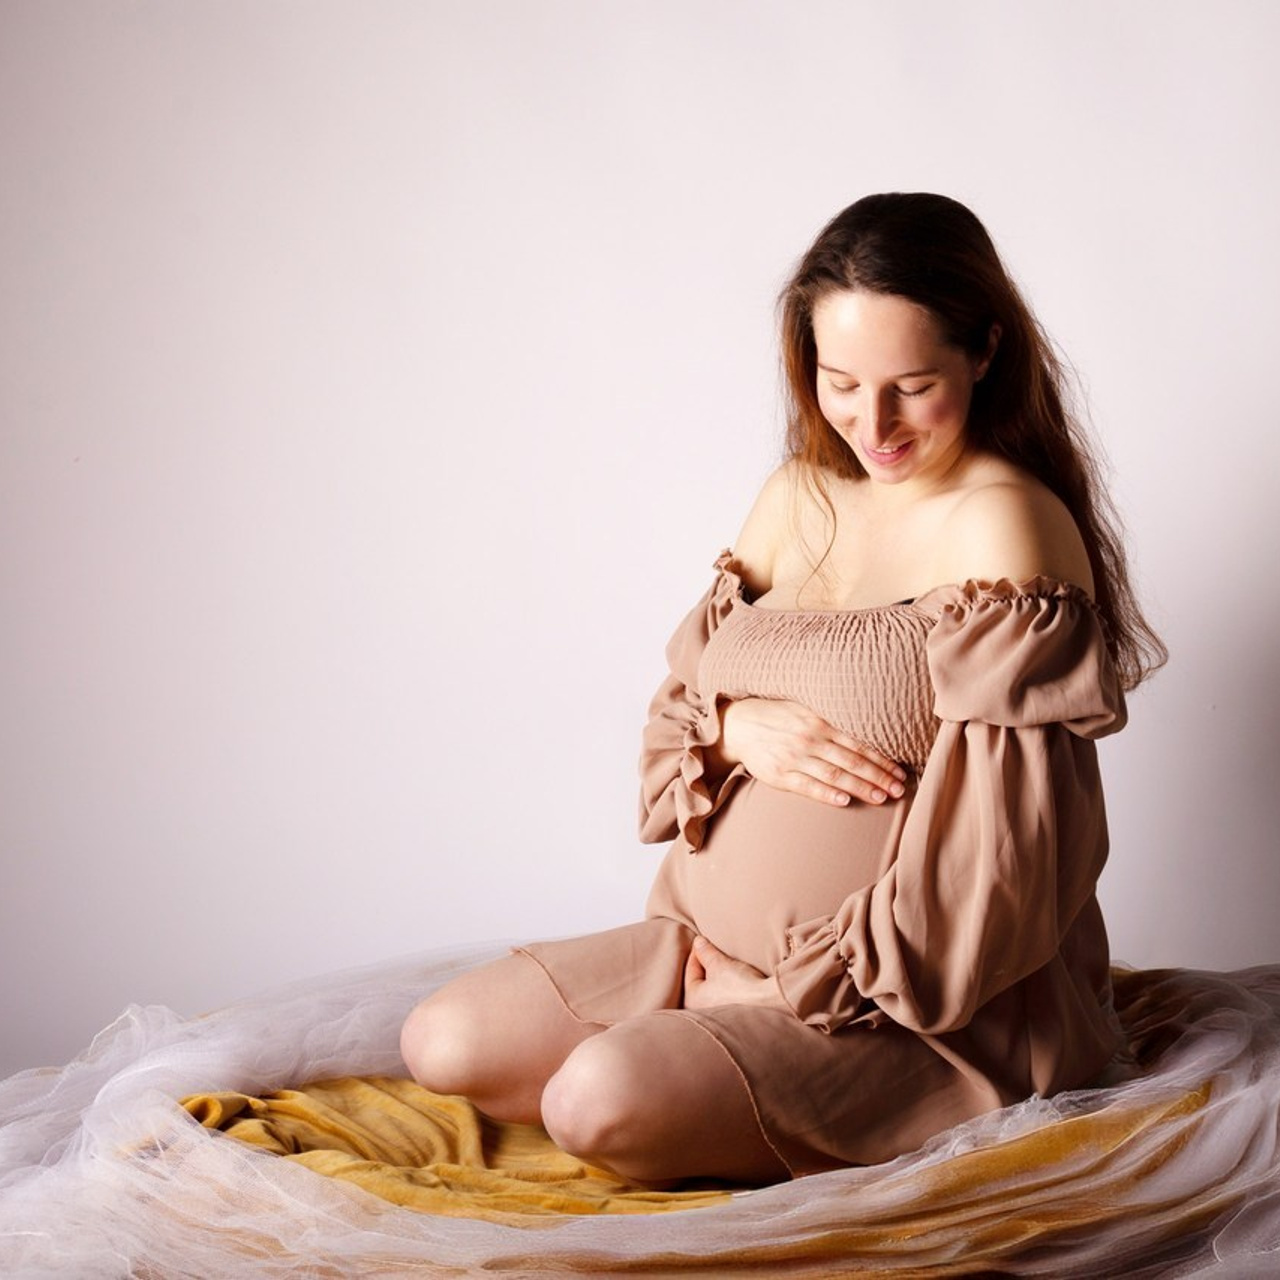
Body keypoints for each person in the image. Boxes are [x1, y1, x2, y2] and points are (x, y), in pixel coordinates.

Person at [399, 192, 1166, 1187]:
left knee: (592, 1102)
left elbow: (1008, 867)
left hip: (908, 1010)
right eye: (839, 382)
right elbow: (675, 715)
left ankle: (767, 1070)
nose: (872, 424)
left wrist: (781, 994)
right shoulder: (794, 495)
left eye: (911, 386)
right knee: (442, 1041)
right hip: (699, 950)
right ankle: (702, 1056)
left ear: (984, 352)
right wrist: (731, 731)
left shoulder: (1003, 524)